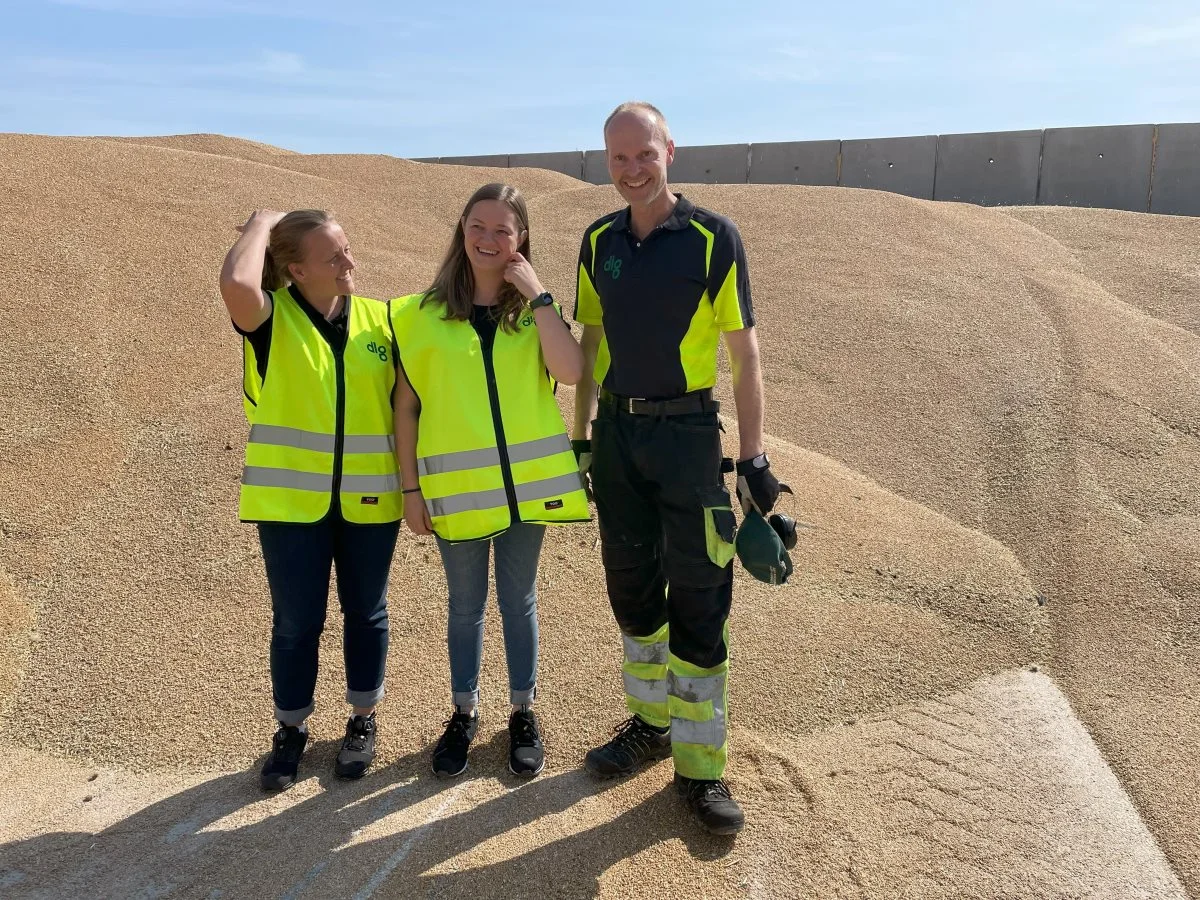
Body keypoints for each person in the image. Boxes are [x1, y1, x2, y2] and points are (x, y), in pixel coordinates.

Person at [572, 102, 782, 835]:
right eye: (618, 157)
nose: (632, 169)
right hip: (620, 438)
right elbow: (592, 345)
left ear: (670, 151)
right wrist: (582, 439)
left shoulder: (711, 238)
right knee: (630, 588)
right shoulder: (598, 241)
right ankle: (650, 725)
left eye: (644, 154)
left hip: (690, 435)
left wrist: (753, 455)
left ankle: (700, 770)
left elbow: (745, 353)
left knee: (699, 595)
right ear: (607, 160)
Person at [390, 183, 588, 779]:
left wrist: (540, 295)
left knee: (519, 601)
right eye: (478, 225)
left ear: (521, 239)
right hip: (456, 492)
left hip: (528, 491)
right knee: (465, 608)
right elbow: (406, 407)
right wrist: (410, 490)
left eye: (503, 230)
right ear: (461, 229)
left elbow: (572, 372)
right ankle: (463, 713)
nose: (488, 239)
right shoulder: (417, 315)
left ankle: (523, 713)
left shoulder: (532, 313)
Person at [219, 209, 402, 791]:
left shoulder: (382, 320)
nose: (350, 262)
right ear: (296, 270)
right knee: (298, 621)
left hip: (370, 498)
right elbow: (238, 285)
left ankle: (362, 721)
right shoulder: (271, 319)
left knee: (366, 611)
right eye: (333, 257)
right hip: (291, 504)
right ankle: (291, 729)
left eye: (348, 248)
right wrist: (261, 225)